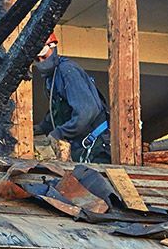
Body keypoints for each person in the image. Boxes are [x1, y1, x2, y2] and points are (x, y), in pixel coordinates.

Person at [33, 31, 111, 163]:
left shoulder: (67, 71)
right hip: (82, 148)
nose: (41, 62)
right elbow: (58, 111)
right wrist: (41, 128)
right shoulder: (51, 78)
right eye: (37, 59)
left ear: (53, 47)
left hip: (97, 148)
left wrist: (60, 133)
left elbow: (86, 112)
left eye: (43, 56)